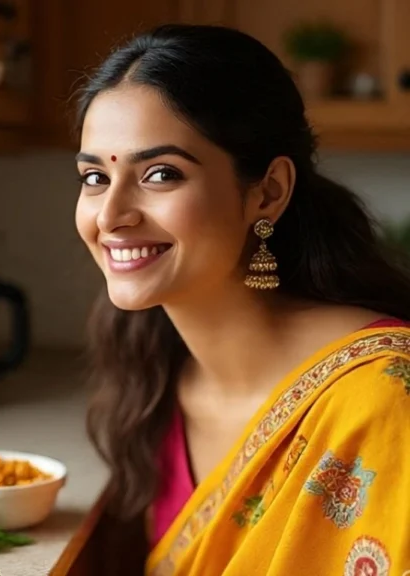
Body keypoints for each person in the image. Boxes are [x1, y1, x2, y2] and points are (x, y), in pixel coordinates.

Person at [74, 24, 410, 576]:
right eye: (93, 177)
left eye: (160, 174)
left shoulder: (380, 402)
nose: (110, 216)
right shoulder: (155, 372)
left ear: (268, 191)